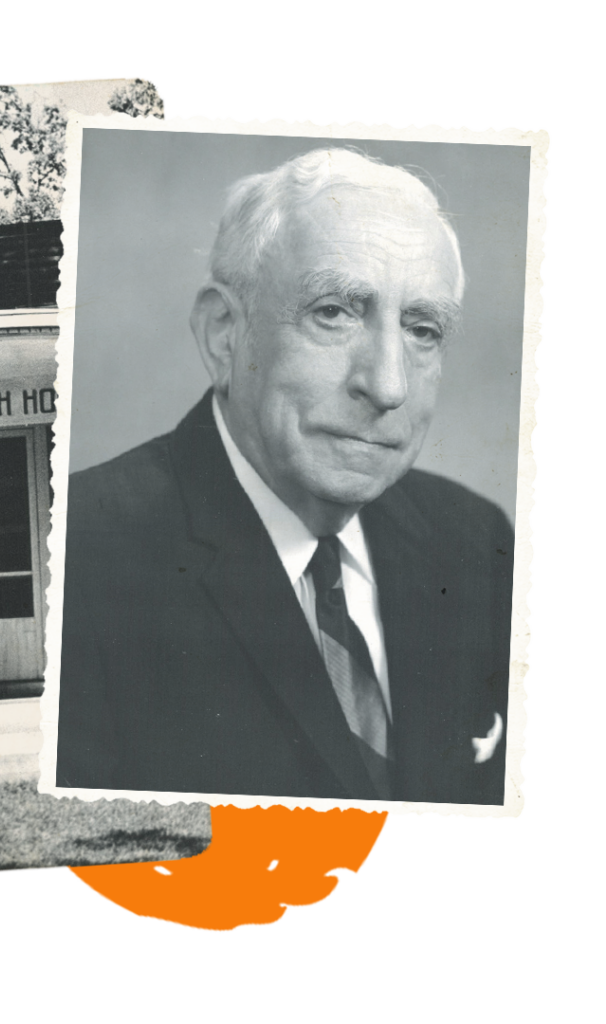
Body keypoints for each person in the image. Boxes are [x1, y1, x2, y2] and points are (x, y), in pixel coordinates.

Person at [55, 148, 512, 804]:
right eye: (334, 312)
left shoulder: (474, 541)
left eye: (422, 329)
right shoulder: (83, 557)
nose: (387, 385)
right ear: (223, 335)